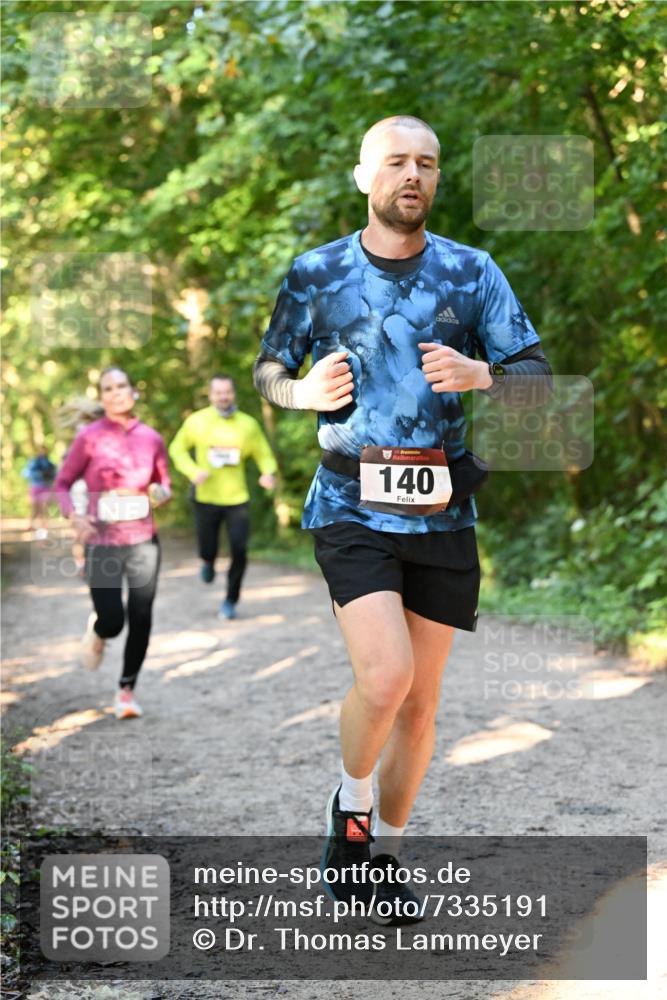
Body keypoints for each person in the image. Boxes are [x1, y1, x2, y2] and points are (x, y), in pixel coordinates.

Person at [253, 115, 553, 922]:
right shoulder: (315, 273)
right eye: (395, 161)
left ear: (436, 178)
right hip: (350, 502)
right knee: (385, 677)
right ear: (364, 176)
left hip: (443, 508)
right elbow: (268, 371)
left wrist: (482, 374)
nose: (410, 174)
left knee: (420, 704)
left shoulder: (471, 270)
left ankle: (384, 855)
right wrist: (301, 392)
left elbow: (536, 376)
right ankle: (347, 817)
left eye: (426, 162)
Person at [54, 367, 171, 720]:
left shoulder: (151, 438)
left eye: (122, 385)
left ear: (133, 392)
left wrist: (161, 494)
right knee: (113, 619)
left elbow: (164, 484)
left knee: (141, 616)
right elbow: (62, 482)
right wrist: (75, 517)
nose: (116, 392)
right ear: (101, 396)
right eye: (108, 388)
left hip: (143, 541)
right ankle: (99, 629)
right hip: (101, 542)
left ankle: (126, 690)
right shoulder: (88, 437)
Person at [169, 374, 277, 620]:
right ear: (210, 395)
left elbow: (264, 454)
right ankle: (207, 561)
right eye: (218, 393)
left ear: (233, 393)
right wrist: (193, 471)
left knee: (239, 550)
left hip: (237, 499)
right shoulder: (197, 421)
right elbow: (177, 449)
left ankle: (230, 600)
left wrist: (267, 473)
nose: (223, 396)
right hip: (205, 497)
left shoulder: (247, 425)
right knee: (208, 547)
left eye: (227, 392)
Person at [56, 396, 105, 575]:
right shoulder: (83, 433)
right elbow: (65, 474)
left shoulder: (106, 429)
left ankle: (89, 560)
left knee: (93, 528)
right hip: (79, 487)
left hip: (95, 490)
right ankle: (82, 562)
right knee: (80, 529)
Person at [22, 447, 57, 541]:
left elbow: (55, 475)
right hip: (35, 487)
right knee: (35, 509)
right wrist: (37, 474)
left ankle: (44, 529)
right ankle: (32, 526)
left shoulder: (49, 464)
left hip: (45, 488)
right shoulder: (34, 462)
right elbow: (25, 473)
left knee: (44, 509)